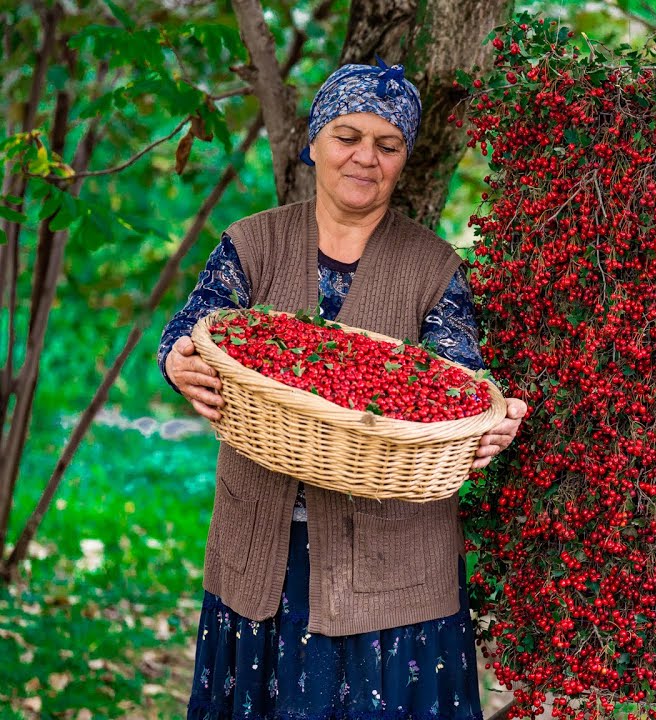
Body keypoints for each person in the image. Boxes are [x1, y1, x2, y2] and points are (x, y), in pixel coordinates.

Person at [159, 58, 527, 719]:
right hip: (263, 561)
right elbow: (195, 325)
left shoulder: (432, 267)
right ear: (315, 141)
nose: (366, 158)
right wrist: (178, 359)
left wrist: (493, 417)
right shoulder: (254, 245)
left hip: (393, 575)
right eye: (347, 137)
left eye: (387, 145)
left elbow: (461, 376)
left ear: (405, 159)